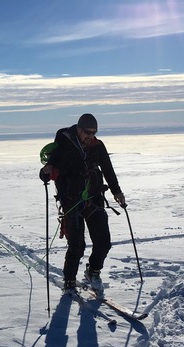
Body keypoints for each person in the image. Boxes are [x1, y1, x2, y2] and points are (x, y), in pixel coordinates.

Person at [40, 113, 126, 293]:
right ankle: (69, 280)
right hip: (72, 201)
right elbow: (49, 168)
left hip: (94, 199)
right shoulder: (64, 144)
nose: (91, 136)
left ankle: (93, 272)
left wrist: (116, 191)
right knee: (77, 246)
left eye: (94, 132)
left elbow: (108, 169)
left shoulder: (98, 146)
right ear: (79, 130)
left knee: (103, 242)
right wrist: (46, 172)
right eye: (87, 132)